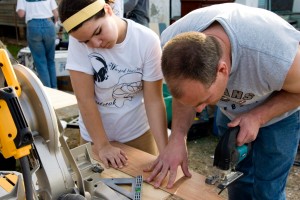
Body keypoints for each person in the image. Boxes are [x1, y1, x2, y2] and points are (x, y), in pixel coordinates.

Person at [144, 3, 300, 200]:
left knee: (267, 189)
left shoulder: (275, 56)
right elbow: (186, 98)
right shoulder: (171, 48)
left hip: (280, 113)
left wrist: (258, 117)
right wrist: (176, 138)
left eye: (204, 100)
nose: (199, 110)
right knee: (237, 180)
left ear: (222, 70)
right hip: (233, 110)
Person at [58, 0, 168, 169]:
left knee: (145, 191)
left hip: (138, 133)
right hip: (95, 137)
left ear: (108, 10)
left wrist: (164, 151)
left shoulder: (146, 40)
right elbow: (85, 99)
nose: (95, 44)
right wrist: (102, 146)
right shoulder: (78, 41)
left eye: (98, 32)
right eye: (86, 42)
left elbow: (153, 100)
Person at [16, 0, 58, 89]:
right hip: (49, 24)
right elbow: (56, 13)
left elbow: (21, 14)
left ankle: (48, 91)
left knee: (40, 61)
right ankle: (55, 89)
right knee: (51, 60)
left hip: (33, 26)